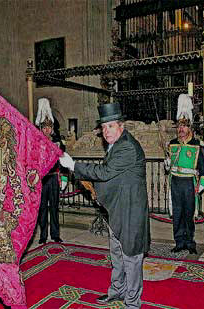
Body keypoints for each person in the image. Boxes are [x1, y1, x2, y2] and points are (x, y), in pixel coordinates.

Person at [59, 102, 149, 309]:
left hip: (130, 212)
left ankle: (133, 303)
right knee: (117, 254)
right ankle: (116, 291)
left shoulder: (126, 146)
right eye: (104, 127)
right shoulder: (115, 145)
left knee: (132, 258)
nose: (106, 132)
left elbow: (104, 173)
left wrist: (74, 165)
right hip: (116, 209)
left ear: (121, 126)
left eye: (111, 126)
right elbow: (112, 177)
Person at [165, 94, 204, 254]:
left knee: (189, 214)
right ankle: (179, 241)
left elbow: (203, 171)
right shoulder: (172, 144)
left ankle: (190, 242)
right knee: (177, 214)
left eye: (183, 127)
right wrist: (168, 163)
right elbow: (169, 164)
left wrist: (200, 186)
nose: (180, 130)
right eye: (179, 127)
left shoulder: (197, 145)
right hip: (175, 182)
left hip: (189, 183)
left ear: (189, 128)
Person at [35, 98, 67, 244]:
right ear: (40, 128)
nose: (47, 130)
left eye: (49, 127)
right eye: (44, 127)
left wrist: (64, 178)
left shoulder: (58, 142)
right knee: (42, 209)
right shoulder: (36, 143)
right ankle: (43, 235)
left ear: (52, 128)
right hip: (42, 179)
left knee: (54, 207)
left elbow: (63, 159)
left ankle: (55, 234)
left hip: (54, 178)